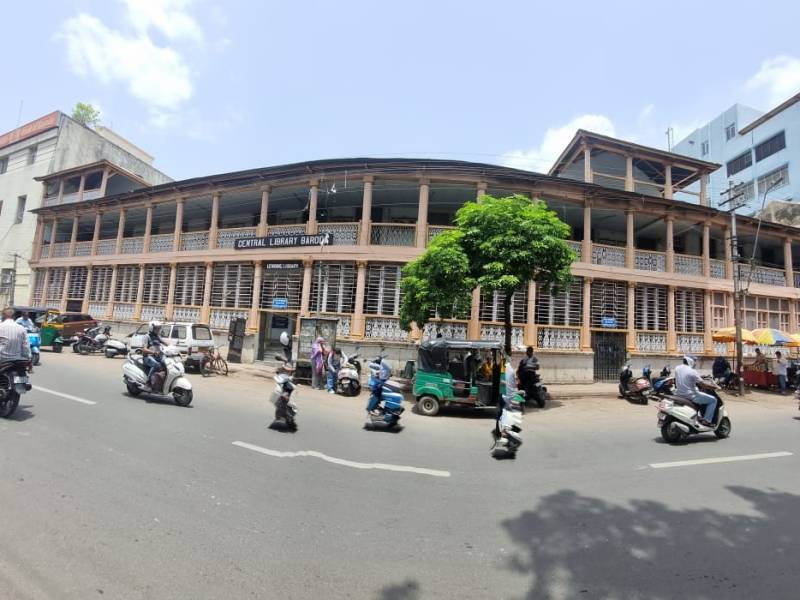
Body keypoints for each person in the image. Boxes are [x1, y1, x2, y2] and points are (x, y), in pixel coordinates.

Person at [674, 356, 717, 427]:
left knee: (700, 394)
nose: (695, 363)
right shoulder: (692, 371)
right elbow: (703, 385)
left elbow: (686, 377)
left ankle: (698, 416)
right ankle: (707, 421)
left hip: (679, 394)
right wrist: (715, 387)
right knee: (713, 400)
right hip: (691, 396)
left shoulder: (677, 368)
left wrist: (700, 377)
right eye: (694, 361)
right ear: (690, 361)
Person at [141, 320, 165, 391]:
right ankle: (148, 383)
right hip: (148, 357)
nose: (158, 330)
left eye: (159, 328)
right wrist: (153, 352)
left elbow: (165, 342)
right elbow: (144, 349)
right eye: (156, 328)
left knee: (166, 364)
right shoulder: (146, 336)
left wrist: (173, 347)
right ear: (151, 328)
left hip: (157, 356)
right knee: (156, 365)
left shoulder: (157, 336)